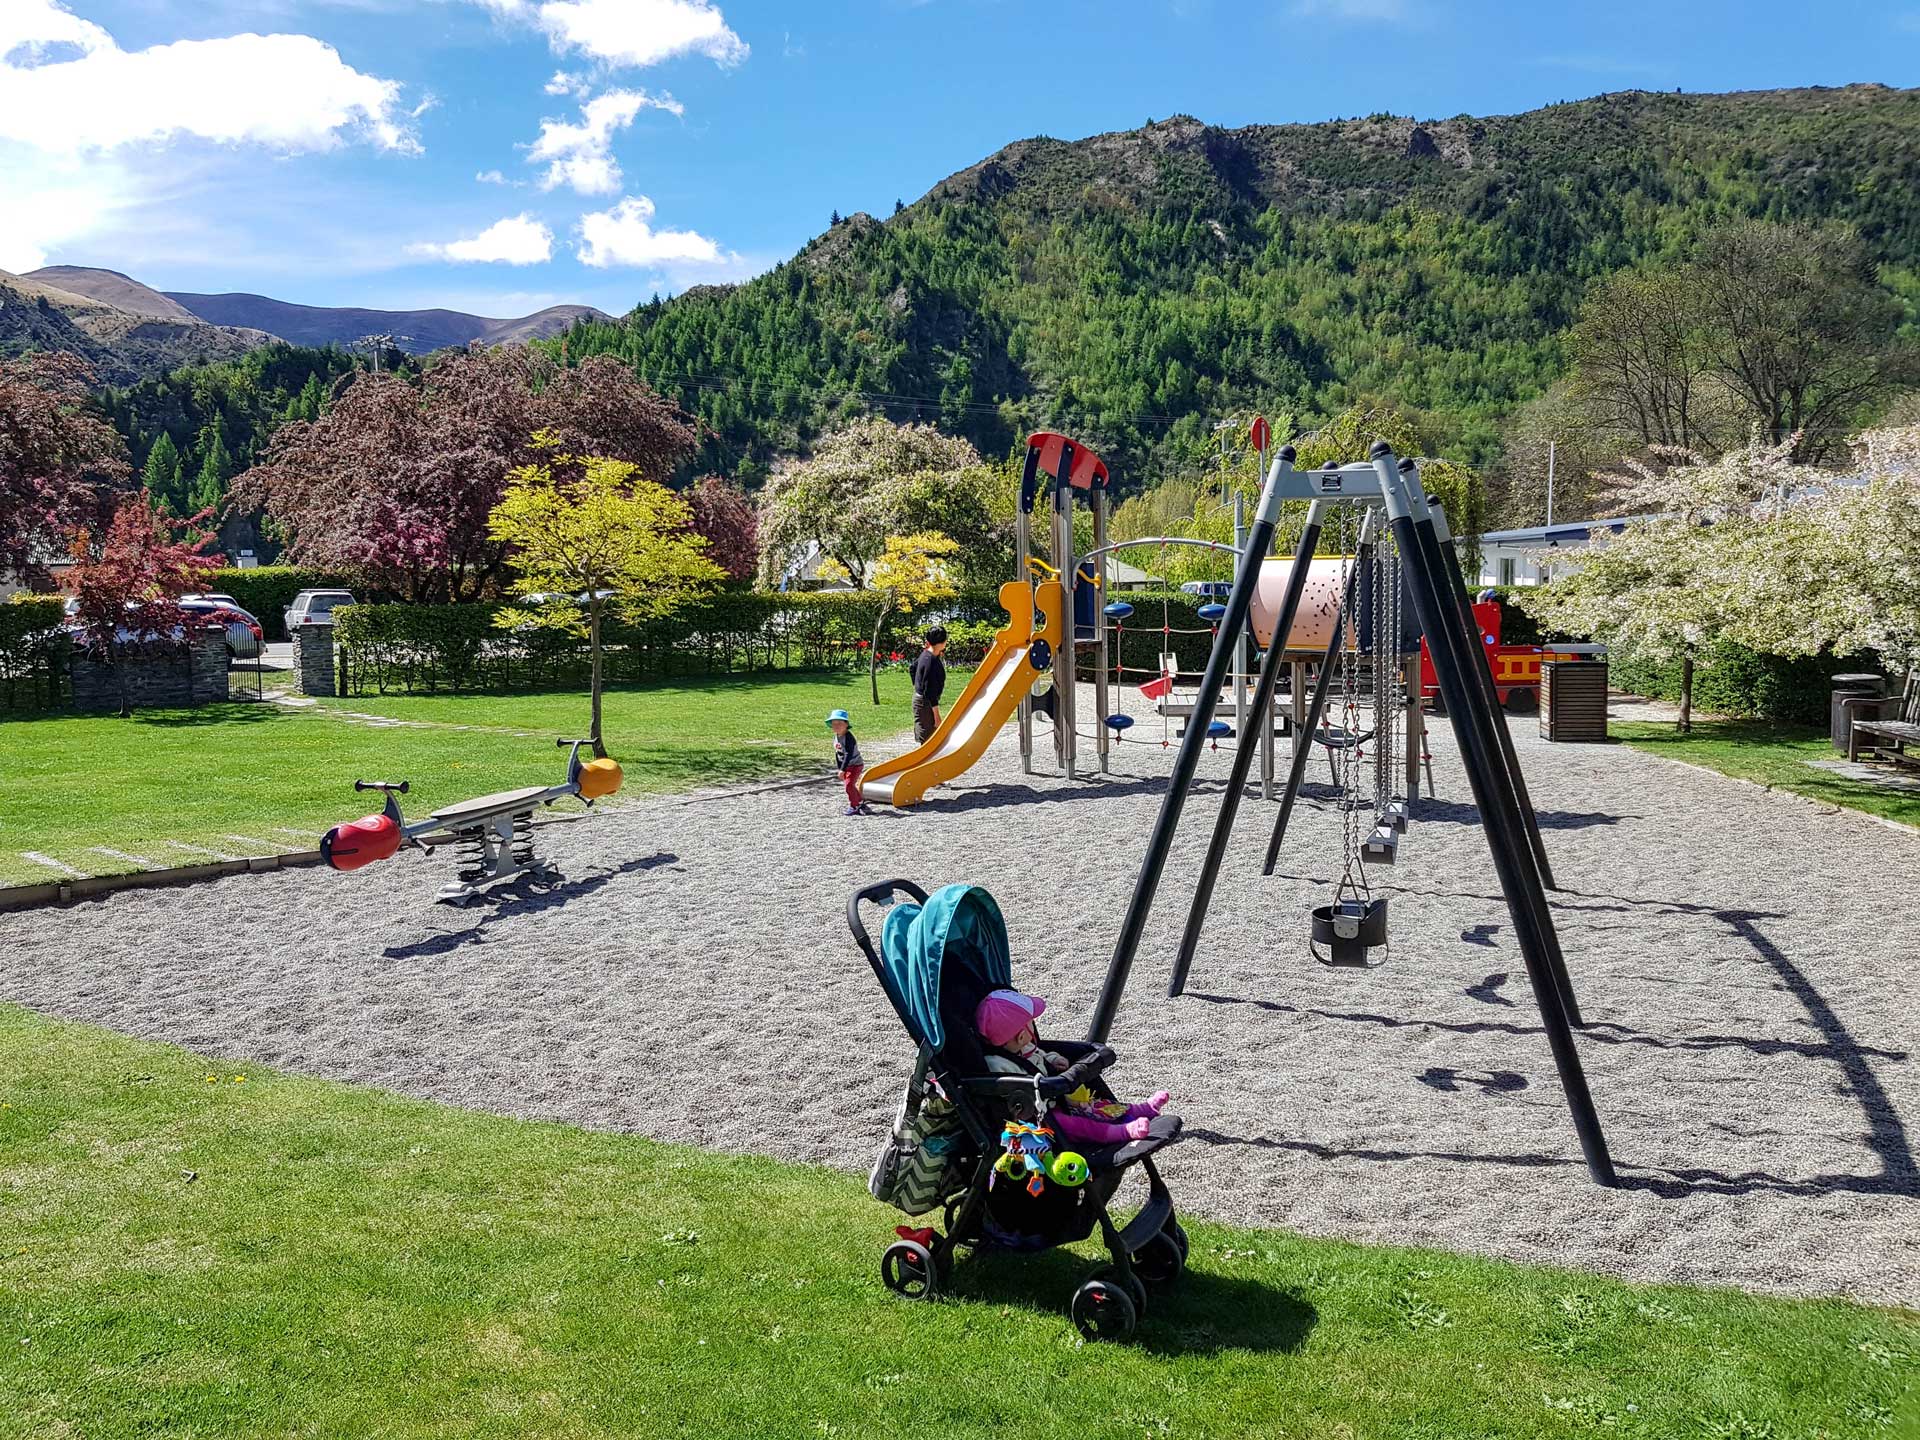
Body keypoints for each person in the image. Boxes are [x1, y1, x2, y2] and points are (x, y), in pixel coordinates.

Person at [974, 989, 1171, 1144]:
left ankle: (1142, 1109)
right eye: (1030, 1023)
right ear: (1021, 1034)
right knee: (1075, 1125)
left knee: (1094, 1105)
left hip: (1059, 1100)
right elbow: (1010, 1089)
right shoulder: (997, 1064)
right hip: (1038, 1117)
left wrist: (1053, 1059)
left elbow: (1039, 1054)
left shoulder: (1024, 1046)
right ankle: (1121, 1132)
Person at [910, 626, 949, 744]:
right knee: (929, 738)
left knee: (928, 737)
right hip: (925, 703)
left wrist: (917, 686)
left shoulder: (927, 654)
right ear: (943, 643)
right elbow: (930, 691)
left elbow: (912, 668)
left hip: (921, 699)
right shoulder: (930, 661)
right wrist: (937, 716)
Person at [827, 708, 868, 815]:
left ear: (846, 724)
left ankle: (854, 806)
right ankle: (859, 801)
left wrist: (842, 769)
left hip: (855, 765)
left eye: (839, 723)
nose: (836, 726)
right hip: (846, 766)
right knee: (850, 785)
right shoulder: (836, 737)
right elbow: (838, 753)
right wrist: (839, 768)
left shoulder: (848, 737)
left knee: (849, 785)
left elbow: (847, 754)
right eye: (834, 724)